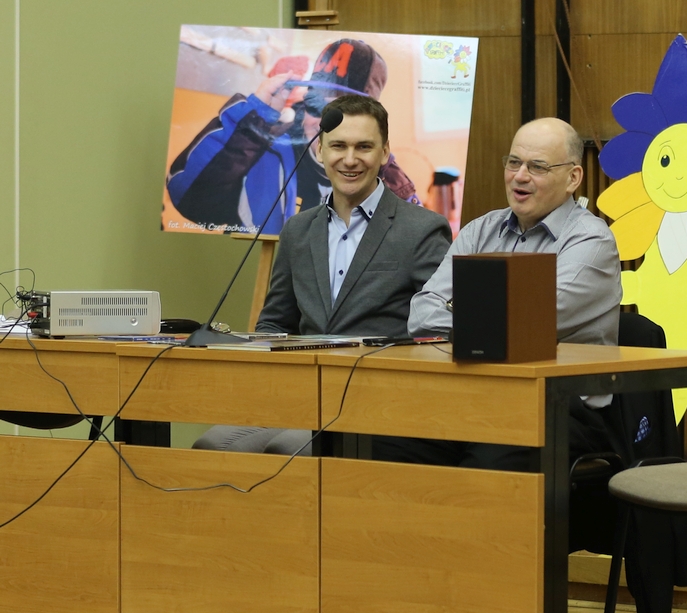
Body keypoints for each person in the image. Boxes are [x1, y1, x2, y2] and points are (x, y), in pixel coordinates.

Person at [192, 94, 452, 455]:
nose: (350, 159)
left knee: (288, 449)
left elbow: (438, 334)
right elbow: (275, 323)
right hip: (302, 396)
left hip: (379, 400)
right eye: (338, 146)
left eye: (363, 147)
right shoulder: (297, 230)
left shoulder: (422, 228)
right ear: (320, 150)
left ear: (384, 152)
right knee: (212, 445)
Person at [395, 116, 622, 470]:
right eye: (514, 162)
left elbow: (528, 324)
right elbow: (422, 314)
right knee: (387, 443)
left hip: (558, 406)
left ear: (573, 178)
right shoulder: (480, 231)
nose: (520, 176)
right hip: (473, 395)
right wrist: (482, 324)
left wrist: (460, 311)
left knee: (486, 464)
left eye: (537, 167)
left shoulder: (591, 241)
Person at [167, 37, 422, 234]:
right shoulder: (261, 150)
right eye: (316, 105)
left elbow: (418, 250)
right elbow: (190, 200)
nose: (325, 122)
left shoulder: (387, 181)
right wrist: (253, 120)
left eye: (345, 113)